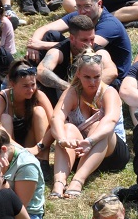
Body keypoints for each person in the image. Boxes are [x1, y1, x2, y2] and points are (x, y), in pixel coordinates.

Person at [49, 51, 129, 199]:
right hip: (81, 151)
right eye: (87, 77)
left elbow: (110, 120)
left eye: (97, 77)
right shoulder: (72, 92)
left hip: (111, 151)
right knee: (67, 128)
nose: (92, 82)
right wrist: (61, 139)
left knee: (99, 126)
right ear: (78, 74)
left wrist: (90, 141)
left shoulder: (109, 92)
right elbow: (56, 118)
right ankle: (59, 184)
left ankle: (77, 181)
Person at [28, 0, 133, 83]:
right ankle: (28, 75)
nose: (82, 11)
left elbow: (86, 46)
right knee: (51, 35)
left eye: (87, 6)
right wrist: (34, 44)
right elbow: (45, 28)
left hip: (107, 77)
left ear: (99, 3)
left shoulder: (110, 24)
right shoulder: (79, 16)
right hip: (85, 66)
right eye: (78, 6)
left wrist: (41, 45)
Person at [35, 14, 119, 110]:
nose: (89, 44)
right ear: (72, 38)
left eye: (92, 39)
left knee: (114, 83)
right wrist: (69, 87)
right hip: (64, 97)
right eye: (84, 40)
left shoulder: (97, 51)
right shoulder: (60, 50)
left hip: (90, 96)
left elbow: (112, 71)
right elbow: (41, 70)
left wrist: (84, 86)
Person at [0, 61, 54, 157]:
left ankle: (43, 162)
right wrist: (17, 148)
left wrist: (39, 146)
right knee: (4, 118)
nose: (31, 90)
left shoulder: (39, 95)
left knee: (39, 111)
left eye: (33, 85)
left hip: (34, 145)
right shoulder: (2, 98)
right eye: (25, 86)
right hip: (11, 145)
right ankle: (10, 162)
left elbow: (55, 124)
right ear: (12, 83)